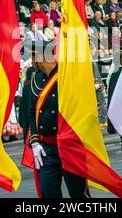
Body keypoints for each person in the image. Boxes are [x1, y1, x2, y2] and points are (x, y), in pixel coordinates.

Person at [26, 41, 90, 198]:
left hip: (68, 147)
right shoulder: (35, 79)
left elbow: (81, 108)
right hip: (46, 149)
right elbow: (31, 112)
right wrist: (34, 141)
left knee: (79, 194)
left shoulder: (66, 77)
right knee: (49, 193)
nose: (31, 61)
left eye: (33, 56)